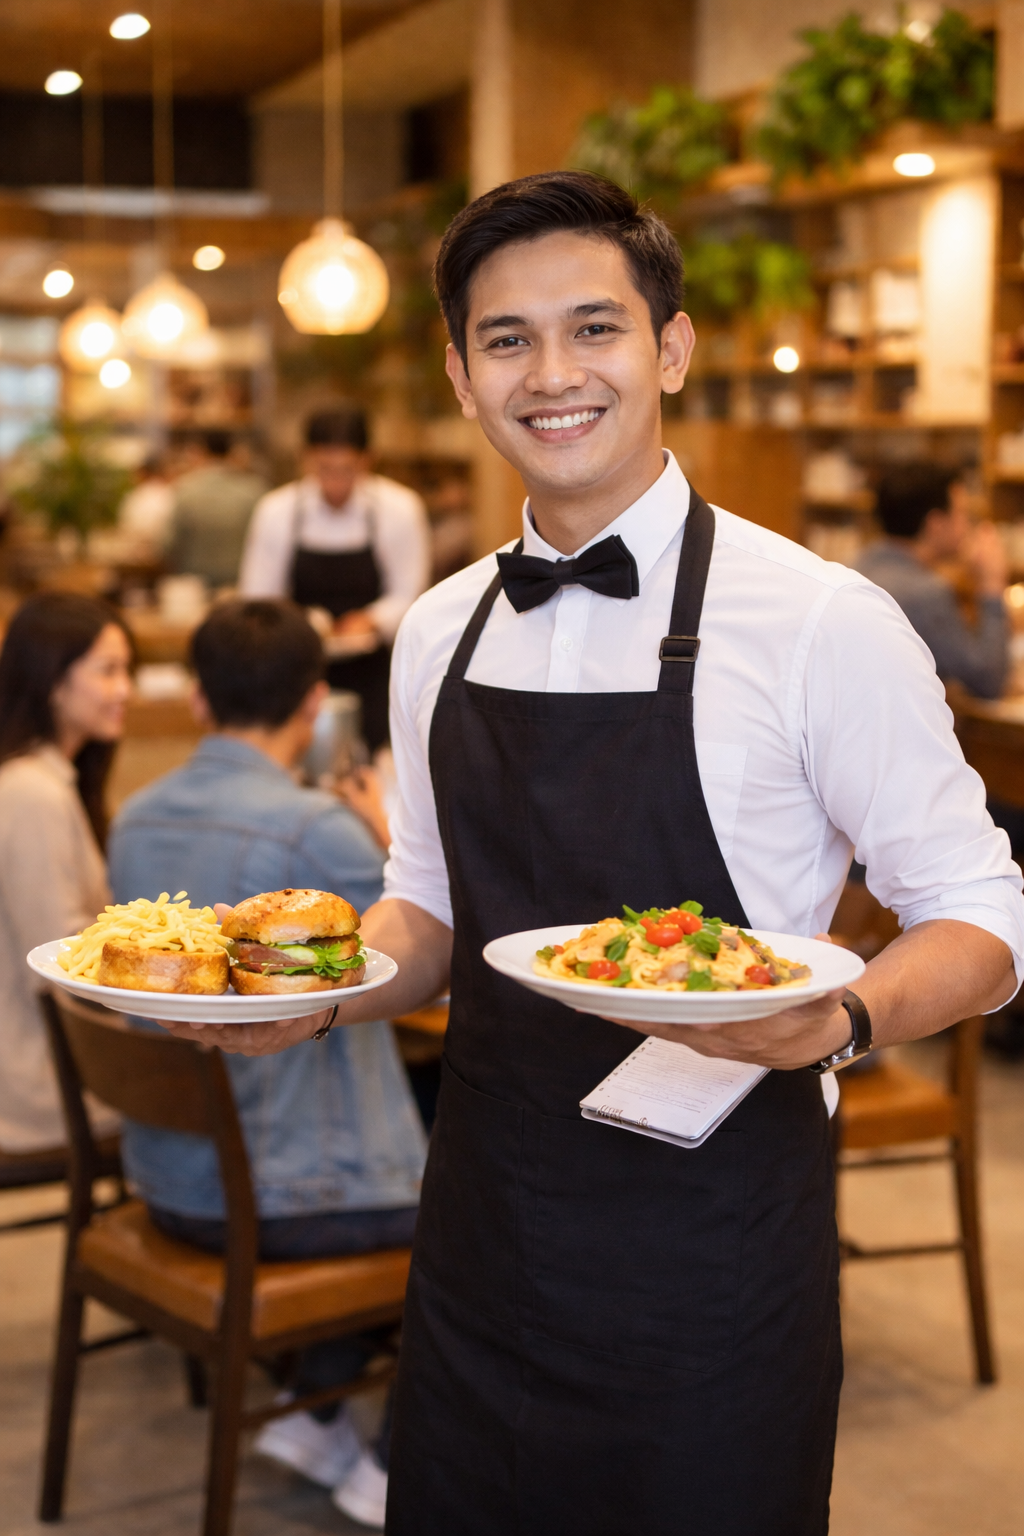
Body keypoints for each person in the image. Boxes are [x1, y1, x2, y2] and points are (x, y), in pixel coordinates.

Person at [158, 174, 1024, 1536]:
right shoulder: (436, 631)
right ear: (459, 375)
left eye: (594, 329)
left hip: (715, 1242)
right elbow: (427, 909)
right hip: (486, 1218)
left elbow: (980, 910)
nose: (551, 374)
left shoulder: (818, 620)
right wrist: (314, 990)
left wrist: (848, 1015)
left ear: (669, 348)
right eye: (506, 340)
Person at [107, 599, 426, 1527]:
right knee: (490, 1204)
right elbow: (414, 976)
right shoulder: (314, 835)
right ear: (316, 703)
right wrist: (383, 840)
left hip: (167, 1176)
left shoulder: (134, 815)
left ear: (199, 701)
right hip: (284, 1198)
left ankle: (319, 1409)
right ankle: (389, 1460)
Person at [0, 594, 131, 1152]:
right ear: (53, 681)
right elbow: (61, 964)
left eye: (129, 671)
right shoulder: (32, 793)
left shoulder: (48, 780)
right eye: (108, 671)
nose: (126, 690)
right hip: (36, 1082)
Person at [238, 408, 430, 752]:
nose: (335, 483)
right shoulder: (276, 511)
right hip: (296, 670)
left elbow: (410, 595)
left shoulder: (399, 508)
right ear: (305, 460)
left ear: (368, 460)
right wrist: (308, 623)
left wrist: (370, 619)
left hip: (375, 671)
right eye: (324, 470)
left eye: (347, 470)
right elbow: (258, 600)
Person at [856, 463, 1009, 699]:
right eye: (962, 513)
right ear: (936, 523)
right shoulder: (926, 593)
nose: (968, 525)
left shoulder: (856, 566)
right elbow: (987, 680)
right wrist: (992, 585)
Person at [168, 430, 267, 590]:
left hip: (194, 585)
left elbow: (168, 544)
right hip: (240, 583)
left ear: (200, 451)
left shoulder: (185, 489)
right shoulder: (254, 490)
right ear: (233, 452)